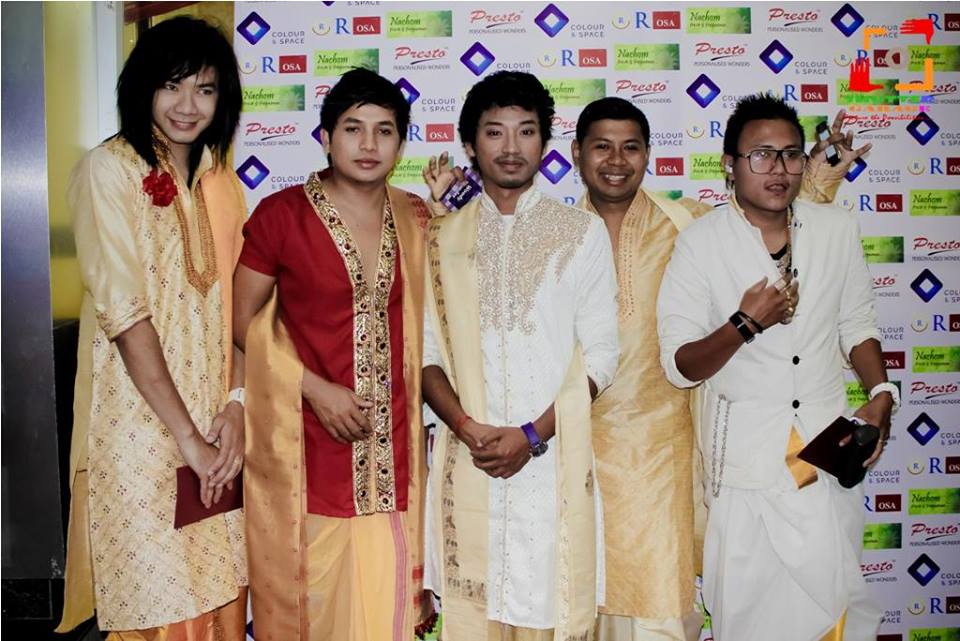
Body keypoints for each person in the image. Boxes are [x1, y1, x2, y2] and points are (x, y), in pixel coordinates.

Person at [571, 97, 869, 641]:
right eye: (602, 147)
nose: (616, 160)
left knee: (670, 605)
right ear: (576, 154)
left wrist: (815, 176)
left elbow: (771, 223)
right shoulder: (559, 236)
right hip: (581, 449)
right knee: (585, 604)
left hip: (670, 451)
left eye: (631, 147)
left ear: (648, 155)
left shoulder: (684, 222)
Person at [657, 94, 892, 641]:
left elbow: (857, 324)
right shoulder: (699, 244)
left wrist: (882, 393)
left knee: (833, 612)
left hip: (825, 458)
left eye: (790, 155)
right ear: (730, 165)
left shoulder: (835, 229)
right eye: (761, 155)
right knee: (751, 618)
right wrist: (744, 324)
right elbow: (679, 365)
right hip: (744, 467)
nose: (778, 169)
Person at [57, 17, 248, 640]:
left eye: (205, 89)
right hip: (139, 432)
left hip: (216, 432)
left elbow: (243, 309)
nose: (188, 105)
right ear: (142, 88)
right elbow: (123, 315)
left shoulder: (222, 182)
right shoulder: (108, 171)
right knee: (158, 607)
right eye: (172, 85)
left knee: (221, 594)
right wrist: (186, 437)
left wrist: (237, 406)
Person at [233, 67, 432, 641]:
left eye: (384, 130)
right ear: (325, 138)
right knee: (311, 610)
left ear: (400, 143)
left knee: (386, 614)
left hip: (393, 453)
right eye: (352, 128)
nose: (369, 144)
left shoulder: (417, 217)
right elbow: (242, 322)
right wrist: (315, 390)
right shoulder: (281, 214)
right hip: (305, 449)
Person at [420, 70, 620, 641]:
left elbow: (602, 356)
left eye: (526, 131)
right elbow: (426, 354)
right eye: (495, 132)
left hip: (551, 463)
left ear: (545, 142)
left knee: (548, 613)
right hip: (469, 460)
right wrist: (466, 428)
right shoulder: (440, 239)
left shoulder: (579, 233)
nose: (511, 147)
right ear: (469, 145)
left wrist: (531, 436)